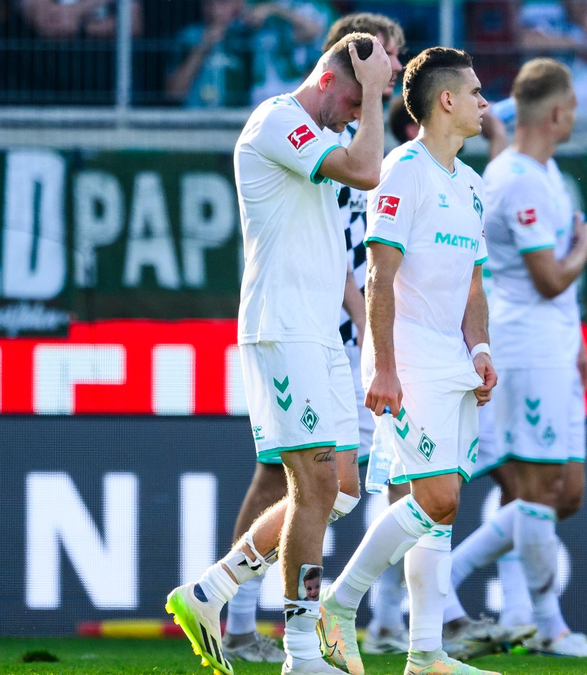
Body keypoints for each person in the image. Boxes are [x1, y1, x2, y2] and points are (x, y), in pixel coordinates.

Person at [165, 32, 392, 675]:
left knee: (341, 490)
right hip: (280, 328)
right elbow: (367, 170)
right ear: (327, 80)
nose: (357, 112)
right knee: (314, 483)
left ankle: (210, 590)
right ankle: (299, 654)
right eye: (352, 97)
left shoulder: (318, 133)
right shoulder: (276, 122)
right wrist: (375, 95)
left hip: (319, 334)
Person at [317, 46, 500, 675]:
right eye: (476, 92)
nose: (484, 103)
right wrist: (384, 365)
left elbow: (473, 286)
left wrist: (478, 348)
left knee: (442, 512)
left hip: (451, 356)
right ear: (446, 101)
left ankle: (426, 654)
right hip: (410, 357)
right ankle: (338, 604)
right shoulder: (402, 171)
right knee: (438, 497)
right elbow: (379, 276)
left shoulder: (472, 187)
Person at [435, 57, 587, 659]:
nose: (574, 119)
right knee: (539, 489)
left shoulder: (549, 174)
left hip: (557, 346)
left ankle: (466, 589)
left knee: (566, 494)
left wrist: (578, 346)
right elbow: (548, 278)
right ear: (558, 110)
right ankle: (543, 625)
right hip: (526, 344)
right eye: (573, 109)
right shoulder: (514, 178)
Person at [165, 0, 254, 108]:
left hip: (238, 118)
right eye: (208, 4)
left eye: (223, 3)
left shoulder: (247, 37)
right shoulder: (188, 37)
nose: (215, 10)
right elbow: (174, 92)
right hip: (195, 117)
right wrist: (202, 47)